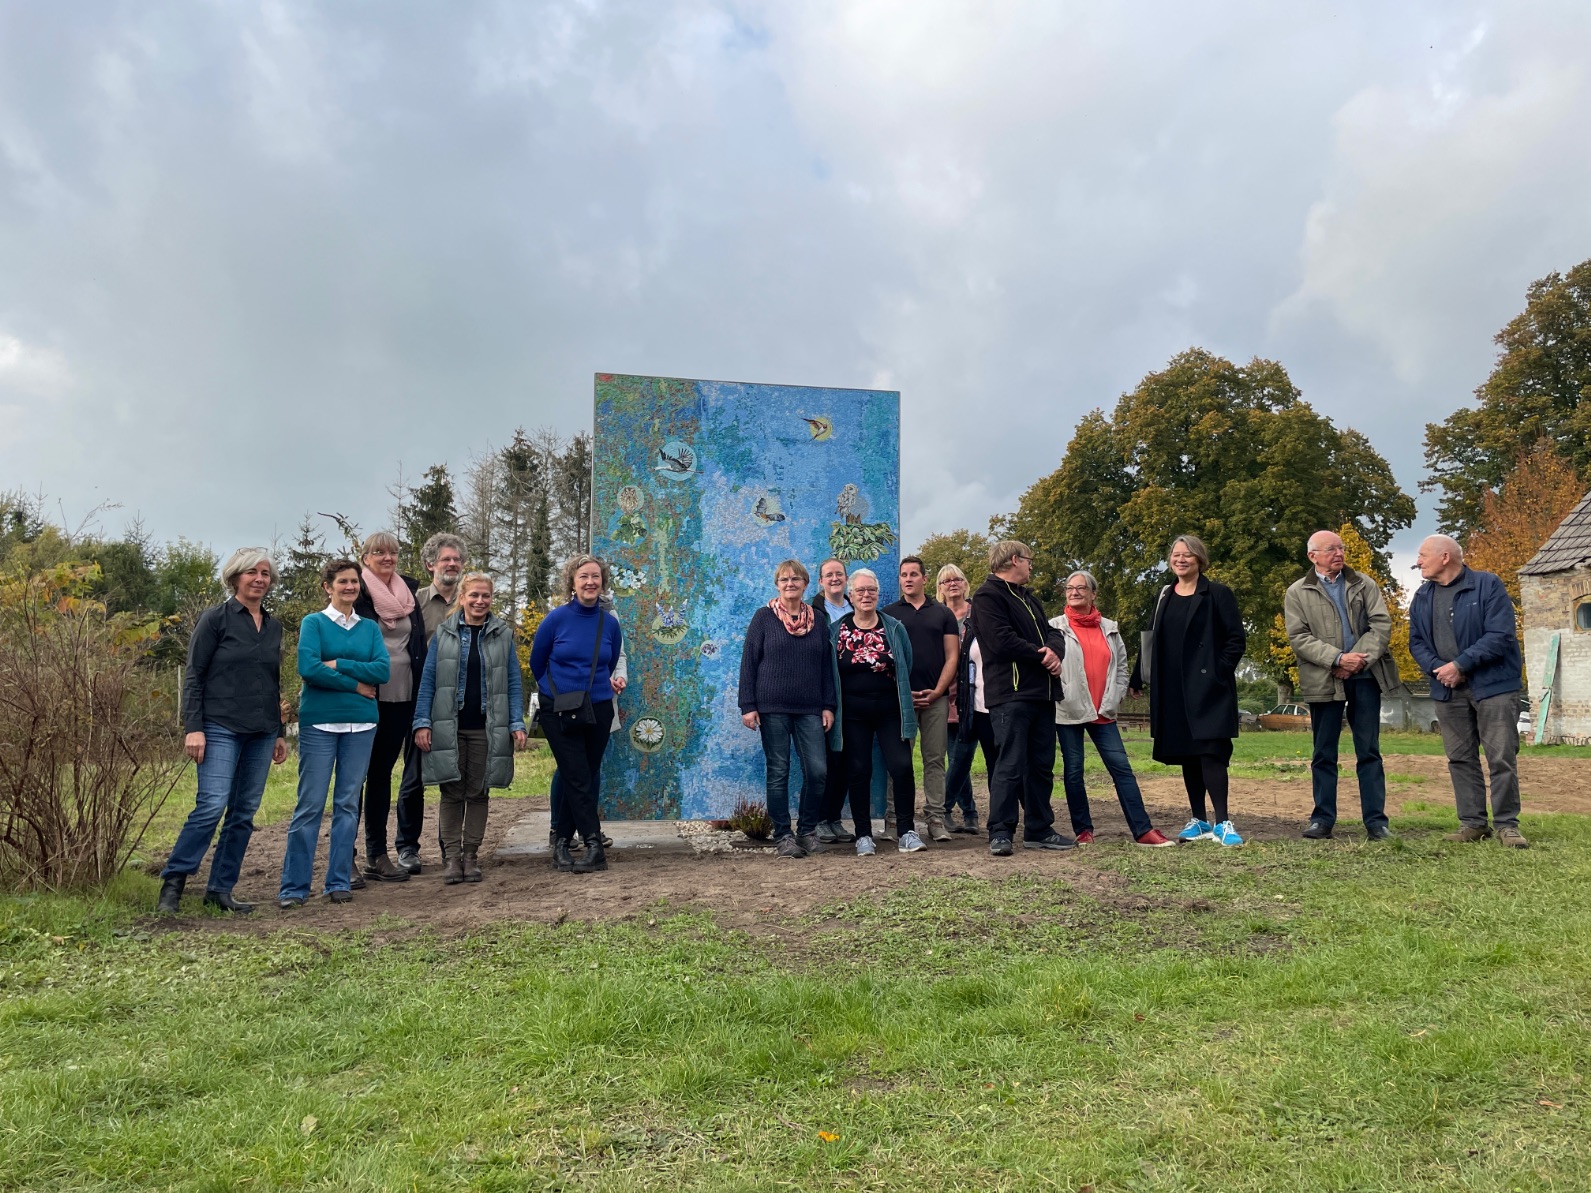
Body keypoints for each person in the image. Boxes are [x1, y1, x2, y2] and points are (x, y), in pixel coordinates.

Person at [159, 548, 290, 915]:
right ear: (235, 578)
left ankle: (220, 889)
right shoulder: (215, 619)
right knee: (211, 805)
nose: (260, 579)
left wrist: (279, 731)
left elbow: (272, 681)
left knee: (244, 812)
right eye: (252, 572)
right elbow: (194, 676)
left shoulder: (274, 626)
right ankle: (174, 883)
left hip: (262, 730)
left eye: (265, 573)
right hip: (219, 727)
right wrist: (193, 728)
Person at [278, 559, 389, 907]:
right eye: (342, 581)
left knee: (346, 805)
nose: (349, 587)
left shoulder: (369, 628)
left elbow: (382, 670)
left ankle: (338, 881)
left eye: (354, 581)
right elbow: (308, 668)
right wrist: (357, 685)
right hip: (320, 723)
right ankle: (294, 888)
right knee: (310, 805)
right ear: (328, 586)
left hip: (362, 725)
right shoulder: (314, 623)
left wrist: (340, 665)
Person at [1408, 534, 1527, 848]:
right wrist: (1440, 669)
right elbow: (1416, 643)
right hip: (1448, 690)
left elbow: (1500, 635)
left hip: (1494, 688)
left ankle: (1507, 826)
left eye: (1422, 555)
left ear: (1445, 557)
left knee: (1501, 756)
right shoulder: (1421, 596)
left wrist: (1460, 664)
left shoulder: (1488, 585)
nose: (1417, 562)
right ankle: (1473, 824)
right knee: (1460, 758)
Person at [1129, 534, 1247, 847]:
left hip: (1209, 689)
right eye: (1176, 555)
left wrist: (1218, 672)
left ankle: (1223, 822)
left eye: (1188, 555)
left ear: (1200, 560)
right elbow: (1154, 637)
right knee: (1188, 755)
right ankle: (1199, 820)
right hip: (1173, 690)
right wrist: (1138, 676)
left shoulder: (1218, 594)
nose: (1181, 560)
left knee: (1211, 753)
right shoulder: (1164, 595)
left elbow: (1236, 640)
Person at [1283, 530, 1400, 841]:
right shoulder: (1297, 592)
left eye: (1341, 547)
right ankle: (1322, 820)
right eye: (1331, 549)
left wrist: (1357, 660)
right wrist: (1337, 659)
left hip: (1365, 676)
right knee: (1323, 752)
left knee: (1369, 751)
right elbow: (1299, 638)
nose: (1338, 553)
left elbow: (1381, 624)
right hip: (1324, 679)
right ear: (1313, 556)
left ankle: (1376, 823)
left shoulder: (1365, 583)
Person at [413, 572, 528, 883]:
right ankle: (451, 858)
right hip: (449, 726)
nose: (480, 601)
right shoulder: (443, 634)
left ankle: (470, 855)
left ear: (491, 599)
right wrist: (422, 722)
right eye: (473, 595)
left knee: (478, 792)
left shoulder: (503, 635)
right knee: (451, 792)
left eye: (485, 596)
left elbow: (513, 682)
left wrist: (516, 722)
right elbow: (428, 682)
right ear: (461, 598)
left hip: (487, 728)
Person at [1050, 572, 1173, 847]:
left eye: (1081, 588)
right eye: (1070, 588)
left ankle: (1143, 830)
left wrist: (1116, 696)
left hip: (1103, 711)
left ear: (1094, 594)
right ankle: (1083, 831)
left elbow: (1122, 668)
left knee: (1122, 769)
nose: (1075, 592)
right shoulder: (1054, 628)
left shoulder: (1110, 628)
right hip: (1069, 710)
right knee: (1073, 771)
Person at [972, 540, 1073, 856]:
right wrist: (1041, 655)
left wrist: (1055, 651)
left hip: (1043, 696)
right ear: (1014, 560)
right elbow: (1000, 641)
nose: (1032, 565)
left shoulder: (1030, 598)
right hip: (1011, 695)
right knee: (1010, 764)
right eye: (1029, 560)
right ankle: (1000, 831)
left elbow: (1053, 632)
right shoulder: (987, 597)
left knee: (1041, 766)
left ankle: (1039, 829)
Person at [531, 554, 625, 873]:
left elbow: (608, 664)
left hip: (598, 707)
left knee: (585, 773)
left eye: (595, 576)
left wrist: (596, 688)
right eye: (583, 576)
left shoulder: (609, 623)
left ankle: (563, 842)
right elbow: (537, 662)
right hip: (559, 708)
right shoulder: (556, 620)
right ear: (572, 582)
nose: (590, 582)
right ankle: (591, 843)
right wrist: (553, 692)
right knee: (575, 774)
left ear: (603, 582)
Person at [738, 560, 837, 858]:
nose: (790, 583)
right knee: (778, 771)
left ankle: (806, 831)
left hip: (810, 707)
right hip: (772, 707)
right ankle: (783, 835)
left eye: (796, 578)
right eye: (784, 579)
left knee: (818, 772)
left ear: (806, 584)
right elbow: (749, 663)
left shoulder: (818, 620)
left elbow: (825, 666)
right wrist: (748, 706)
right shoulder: (764, 617)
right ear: (777, 584)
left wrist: (828, 705)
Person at [352, 531, 428, 885]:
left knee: (382, 775)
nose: (387, 557)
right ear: (365, 557)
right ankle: (344, 856)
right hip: (365, 696)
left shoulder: (408, 593)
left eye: (394, 552)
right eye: (379, 552)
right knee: (354, 779)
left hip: (402, 696)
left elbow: (417, 644)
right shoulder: (356, 592)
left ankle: (377, 855)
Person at [830, 568, 922, 855]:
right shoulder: (838, 630)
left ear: (878, 595)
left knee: (902, 767)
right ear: (851, 596)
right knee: (859, 770)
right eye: (860, 591)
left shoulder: (894, 628)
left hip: (890, 711)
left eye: (871, 590)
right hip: (853, 715)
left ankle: (906, 831)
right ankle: (863, 835)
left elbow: (906, 663)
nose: (866, 595)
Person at [392, 531, 468, 875]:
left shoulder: (470, 600)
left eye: (457, 560)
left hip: (461, 702)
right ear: (430, 565)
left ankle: (449, 846)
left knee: (455, 775)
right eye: (445, 560)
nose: (452, 565)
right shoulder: (414, 602)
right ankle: (407, 846)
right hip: (420, 699)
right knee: (414, 776)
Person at [884, 556, 960, 842]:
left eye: (914, 574)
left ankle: (936, 818)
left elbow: (952, 655)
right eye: (904, 574)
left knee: (935, 759)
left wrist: (939, 691)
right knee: (898, 761)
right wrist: (902, 692)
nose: (908, 579)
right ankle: (894, 819)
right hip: (900, 701)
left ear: (925, 579)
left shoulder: (942, 613)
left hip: (935, 699)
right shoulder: (889, 614)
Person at [809, 558, 858, 844]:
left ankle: (835, 818)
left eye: (839, 574)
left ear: (846, 578)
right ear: (820, 581)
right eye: (829, 575)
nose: (834, 578)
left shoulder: (857, 608)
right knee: (824, 761)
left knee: (846, 760)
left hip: (851, 694)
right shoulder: (812, 612)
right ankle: (818, 820)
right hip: (823, 694)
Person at [937, 565, 984, 833]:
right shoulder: (937, 614)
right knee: (955, 756)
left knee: (961, 756)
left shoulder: (977, 613)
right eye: (946, 580)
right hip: (945, 692)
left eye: (957, 579)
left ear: (965, 584)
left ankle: (944, 808)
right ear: (939, 587)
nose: (952, 583)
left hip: (973, 693)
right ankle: (969, 814)